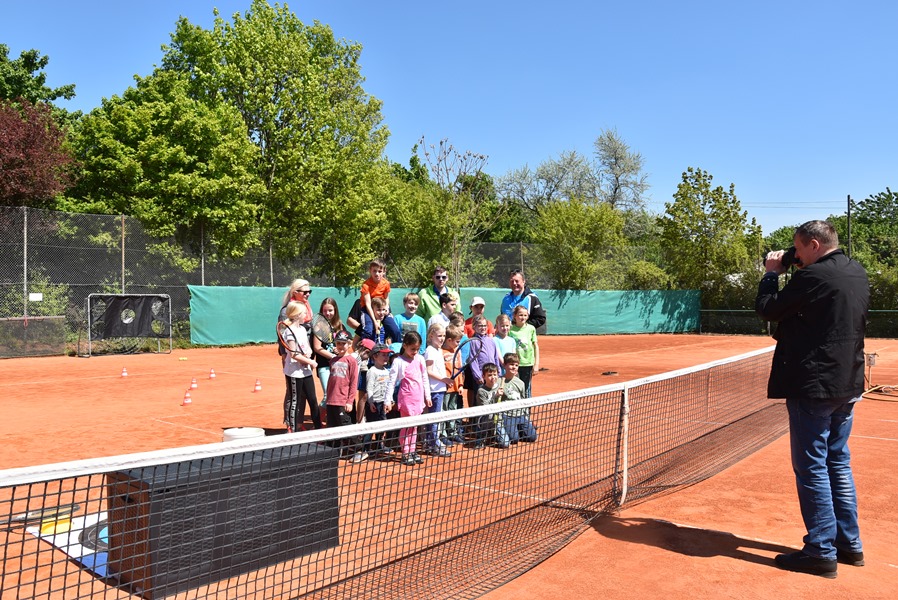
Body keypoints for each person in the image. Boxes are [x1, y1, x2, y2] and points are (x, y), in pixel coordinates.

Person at [755, 220, 869, 579]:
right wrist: (795, 263)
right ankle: (848, 544)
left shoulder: (812, 277)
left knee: (812, 467)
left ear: (815, 245)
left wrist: (772, 273)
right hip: (848, 382)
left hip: (815, 385)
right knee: (838, 462)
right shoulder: (855, 270)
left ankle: (820, 550)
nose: (797, 255)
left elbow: (768, 309)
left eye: (800, 248)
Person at [387, 331, 432, 466]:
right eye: (413, 349)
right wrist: (388, 400)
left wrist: (427, 396)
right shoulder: (398, 362)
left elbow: (424, 378)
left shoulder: (420, 359)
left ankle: (412, 451)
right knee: (406, 427)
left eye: (417, 349)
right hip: (406, 399)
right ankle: (405, 452)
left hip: (418, 399)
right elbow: (391, 382)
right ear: (405, 346)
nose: (415, 352)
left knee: (414, 426)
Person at [326, 331, 372, 462]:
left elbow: (353, 382)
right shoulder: (333, 360)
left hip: (342, 401)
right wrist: (328, 398)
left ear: (349, 344)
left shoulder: (351, 361)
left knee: (346, 426)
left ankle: (359, 450)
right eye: (338, 343)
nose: (341, 346)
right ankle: (333, 452)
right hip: (331, 401)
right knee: (332, 428)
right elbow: (331, 381)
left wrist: (349, 401)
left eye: (343, 343)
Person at [281, 301, 321, 432]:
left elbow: (307, 348)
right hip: (294, 373)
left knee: (313, 400)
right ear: (297, 314)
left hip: (306, 372)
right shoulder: (289, 332)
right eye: (304, 312)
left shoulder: (303, 329)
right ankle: (293, 431)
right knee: (295, 402)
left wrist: (308, 354)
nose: (306, 315)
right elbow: (293, 354)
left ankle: (319, 430)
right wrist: (311, 362)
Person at [424, 323, 452, 457]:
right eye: (439, 335)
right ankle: (434, 444)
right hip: (434, 390)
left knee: (435, 418)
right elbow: (428, 371)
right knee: (434, 418)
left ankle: (430, 443)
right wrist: (444, 379)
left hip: (439, 389)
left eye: (444, 336)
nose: (442, 338)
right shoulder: (430, 350)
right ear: (431, 336)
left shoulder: (438, 350)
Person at [311, 297, 345, 409]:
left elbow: (345, 345)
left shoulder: (340, 326)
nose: (328, 313)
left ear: (335, 310)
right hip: (324, 366)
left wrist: (339, 351)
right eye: (325, 311)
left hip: (338, 366)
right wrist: (332, 356)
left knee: (337, 395)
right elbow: (317, 348)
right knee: (328, 396)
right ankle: (318, 418)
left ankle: (332, 418)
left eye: (330, 310)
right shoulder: (318, 327)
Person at [464, 315, 503, 409]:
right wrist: (478, 376)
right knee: (480, 401)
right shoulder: (473, 341)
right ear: (474, 327)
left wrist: (498, 371)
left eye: (485, 325)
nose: (483, 328)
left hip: (492, 375)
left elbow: (495, 357)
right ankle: (478, 418)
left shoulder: (491, 340)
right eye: (480, 326)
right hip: (481, 377)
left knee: (493, 397)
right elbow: (473, 360)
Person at [364, 343, 395, 456]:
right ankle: (365, 448)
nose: (386, 358)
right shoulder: (372, 371)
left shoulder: (387, 371)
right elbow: (369, 388)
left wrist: (390, 400)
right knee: (371, 426)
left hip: (383, 403)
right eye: (383, 355)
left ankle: (379, 445)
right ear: (375, 356)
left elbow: (389, 388)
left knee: (382, 425)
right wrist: (371, 402)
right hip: (374, 403)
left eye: (387, 355)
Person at [360, 258, 401, 342]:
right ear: (370, 271)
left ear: (384, 271)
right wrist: (375, 321)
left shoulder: (386, 283)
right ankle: (365, 348)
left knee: (395, 330)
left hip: (381, 308)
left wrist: (386, 309)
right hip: (368, 309)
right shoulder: (366, 285)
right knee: (368, 329)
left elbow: (386, 298)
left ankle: (397, 348)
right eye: (374, 271)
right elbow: (368, 304)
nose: (377, 274)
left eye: (379, 271)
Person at [500, 353, 538, 444]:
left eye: (516, 365)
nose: (514, 367)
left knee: (532, 437)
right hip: (507, 415)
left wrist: (526, 416)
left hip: (520, 415)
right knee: (514, 439)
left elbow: (523, 400)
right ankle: (511, 430)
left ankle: (517, 429)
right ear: (504, 365)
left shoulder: (520, 383)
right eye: (511, 364)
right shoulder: (499, 381)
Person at [473, 363, 509, 449]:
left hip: (498, 420)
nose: (493, 377)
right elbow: (485, 408)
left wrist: (505, 393)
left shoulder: (500, 386)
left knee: (505, 444)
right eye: (489, 375)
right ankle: (482, 436)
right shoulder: (481, 391)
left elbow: (506, 399)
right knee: (478, 445)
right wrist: (495, 396)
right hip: (484, 421)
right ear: (483, 376)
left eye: (495, 374)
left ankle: (492, 435)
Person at [441, 323, 466, 445]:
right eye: (457, 341)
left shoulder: (457, 351)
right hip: (445, 387)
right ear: (449, 340)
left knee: (453, 410)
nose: (458, 343)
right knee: (444, 410)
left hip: (455, 387)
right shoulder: (441, 352)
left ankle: (452, 432)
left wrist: (460, 385)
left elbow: (459, 369)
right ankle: (443, 434)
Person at [509, 305, 540, 398]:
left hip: (528, 364)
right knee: (515, 388)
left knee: (526, 389)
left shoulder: (531, 329)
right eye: (520, 315)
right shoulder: (510, 329)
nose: (523, 317)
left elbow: (535, 346)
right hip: (515, 365)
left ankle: (527, 407)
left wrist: (536, 364)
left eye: (525, 315)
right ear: (514, 316)